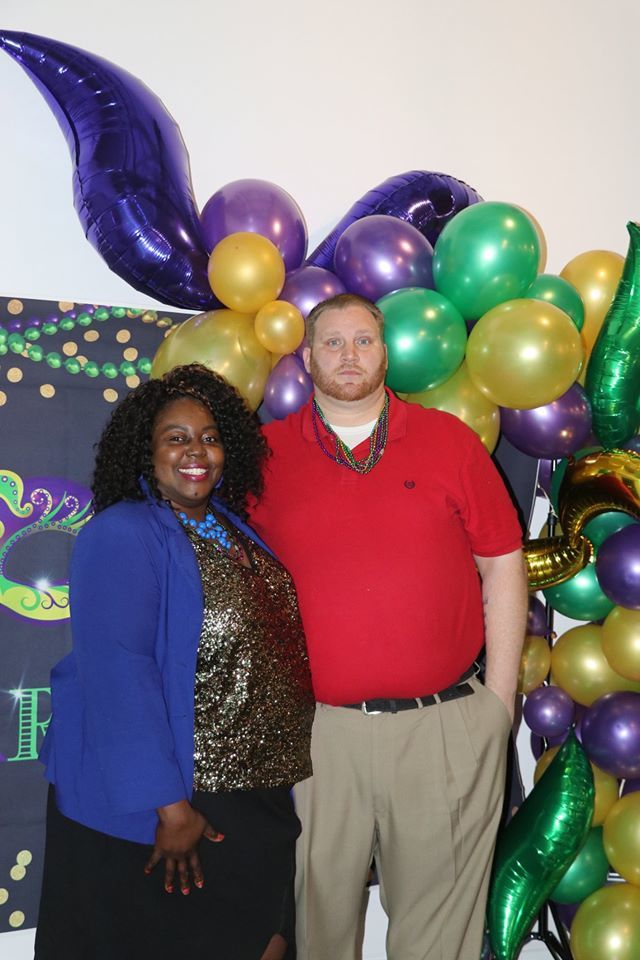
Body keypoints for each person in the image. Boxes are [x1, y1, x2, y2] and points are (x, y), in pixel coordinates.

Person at [249, 293, 528, 960]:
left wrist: (500, 701)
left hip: (444, 729)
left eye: (364, 340)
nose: (349, 354)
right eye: (333, 342)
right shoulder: (262, 455)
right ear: (307, 358)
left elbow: (503, 565)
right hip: (316, 735)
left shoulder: (449, 441)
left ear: (385, 352)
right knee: (317, 924)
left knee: (441, 934)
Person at [35, 363, 314, 960]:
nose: (197, 451)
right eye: (176, 437)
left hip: (252, 797)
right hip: (170, 802)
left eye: (210, 437)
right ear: (147, 451)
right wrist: (170, 808)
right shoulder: (123, 533)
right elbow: (119, 674)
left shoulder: (234, 530)